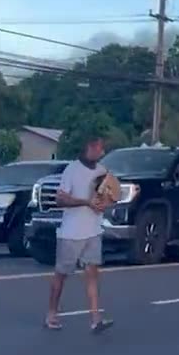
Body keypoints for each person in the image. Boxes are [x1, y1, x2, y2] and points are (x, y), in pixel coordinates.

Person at [45, 133, 114, 333]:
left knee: (92, 274)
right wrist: (85, 202)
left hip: (93, 231)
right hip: (71, 233)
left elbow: (106, 197)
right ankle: (51, 314)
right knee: (61, 275)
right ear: (90, 147)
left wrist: (103, 204)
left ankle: (95, 318)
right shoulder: (72, 170)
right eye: (99, 147)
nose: (102, 151)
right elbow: (60, 200)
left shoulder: (102, 171)